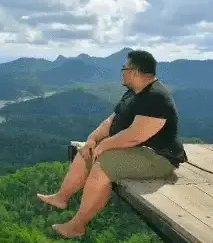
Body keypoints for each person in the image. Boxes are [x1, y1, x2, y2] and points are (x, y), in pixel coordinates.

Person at [36, 50, 187, 239]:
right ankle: (61, 197)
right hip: (140, 151)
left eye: (124, 68)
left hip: (160, 158)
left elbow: (134, 136)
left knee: (104, 163)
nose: (122, 72)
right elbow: (112, 121)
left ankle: (77, 226)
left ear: (134, 72)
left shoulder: (156, 98)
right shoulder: (133, 93)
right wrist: (92, 139)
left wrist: (104, 146)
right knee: (87, 150)